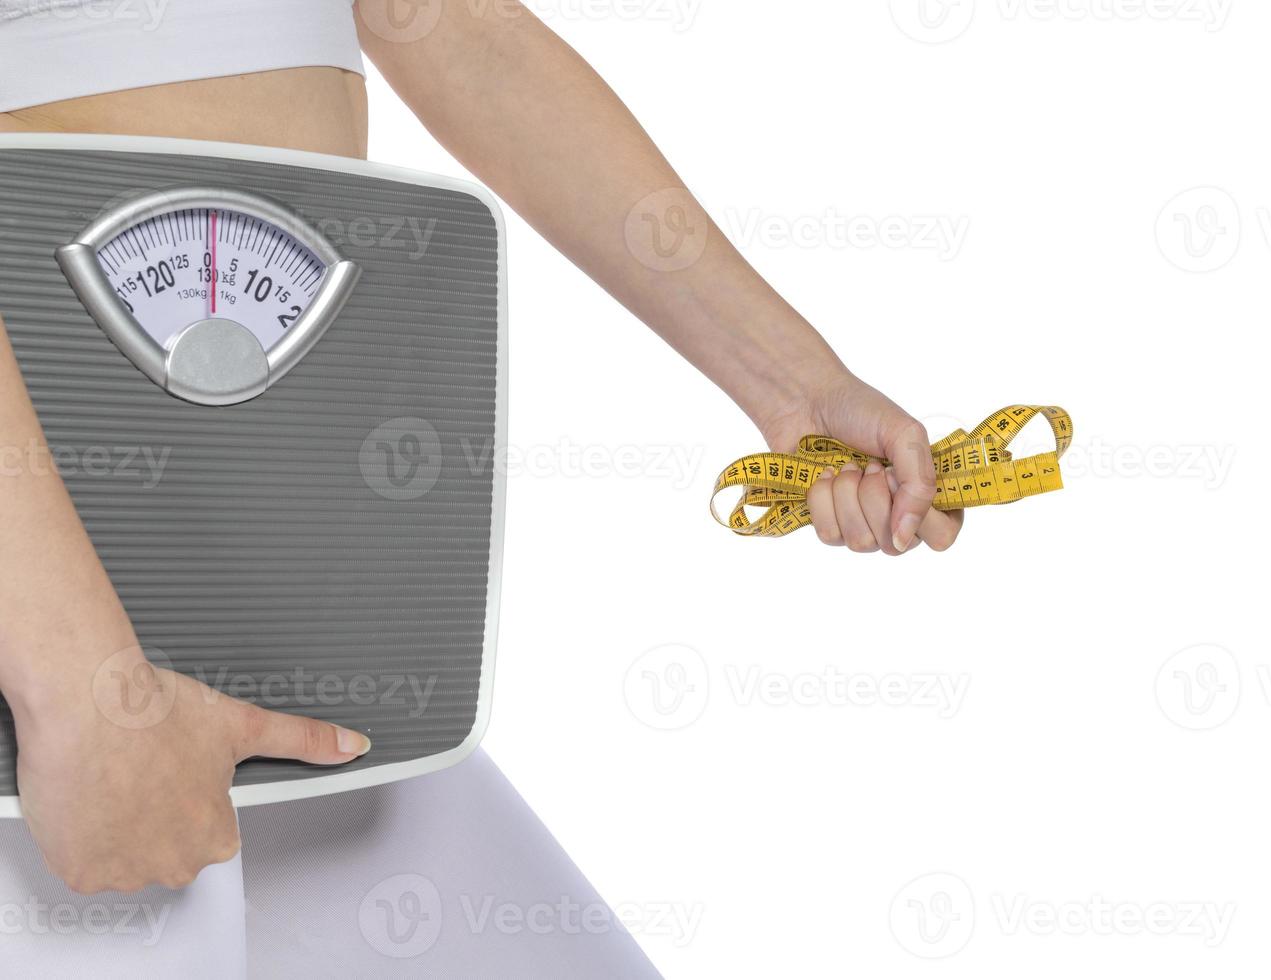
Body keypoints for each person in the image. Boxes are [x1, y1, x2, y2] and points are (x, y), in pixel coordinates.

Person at [0, 0, 963, 974]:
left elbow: (452, 27)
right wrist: (75, 690)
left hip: (275, 611)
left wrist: (792, 385)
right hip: (44, 647)